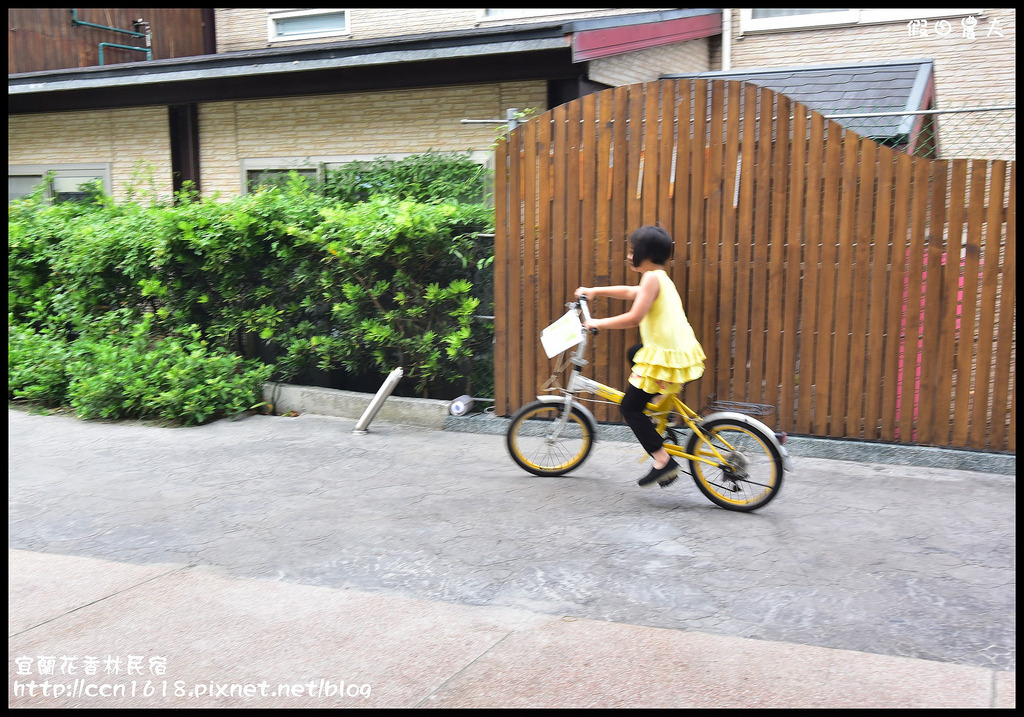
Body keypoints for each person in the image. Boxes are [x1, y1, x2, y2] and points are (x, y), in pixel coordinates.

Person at [575, 225, 705, 487]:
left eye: (632, 251)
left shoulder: (652, 279)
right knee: (635, 353)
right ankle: (660, 406)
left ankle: (663, 461)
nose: (628, 255)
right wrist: (595, 291)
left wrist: (597, 323)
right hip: (679, 353)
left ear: (644, 254)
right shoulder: (659, 277)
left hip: (666, 357)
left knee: (630, 408)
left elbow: (634, 317)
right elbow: (631, 293)